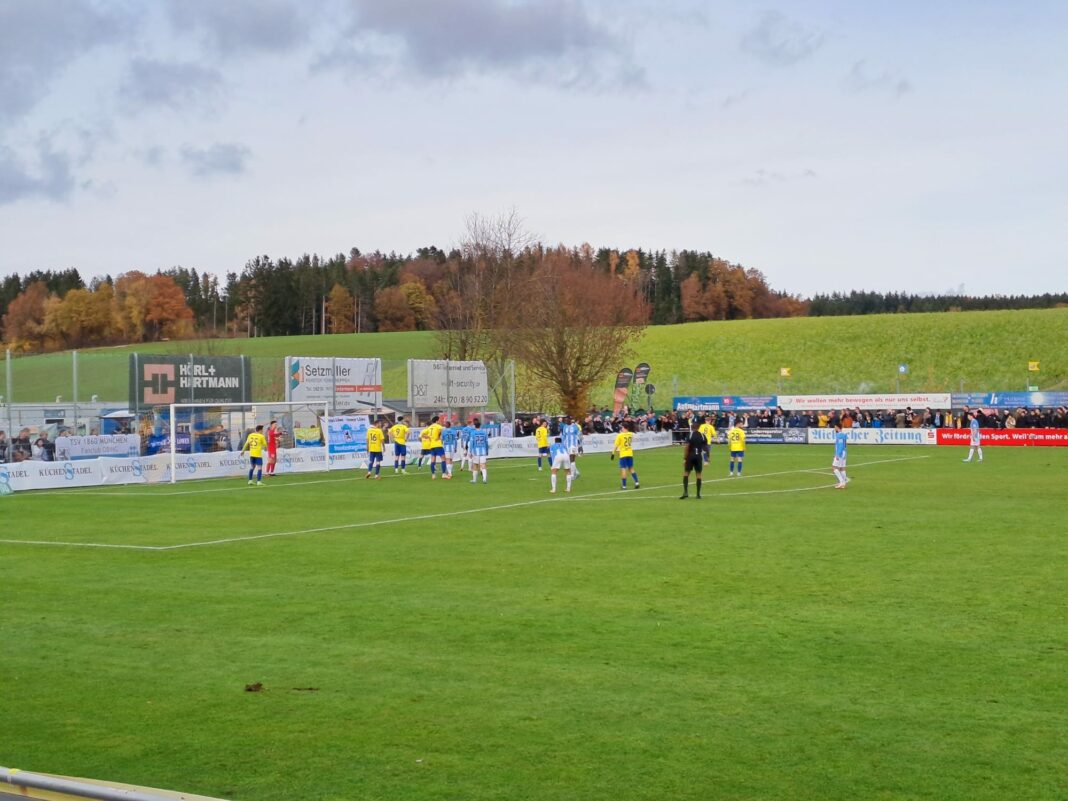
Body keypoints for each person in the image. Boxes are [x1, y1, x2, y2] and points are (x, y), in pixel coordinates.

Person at [680, 419, 707, 499]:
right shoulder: (702, 435)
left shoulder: (690, 435)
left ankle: (685, 492)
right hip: (698, 456)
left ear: (692, 427)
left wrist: (685, 458)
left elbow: (687, 447)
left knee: (686, 473)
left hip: (690, 456)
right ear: (699, 427)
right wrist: (707, 458)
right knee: (698, 474)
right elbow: (706, 448)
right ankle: (698, 494)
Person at [610, 421, 640, 490]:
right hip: (630, 453)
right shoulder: (631, 434)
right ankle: (637, 482)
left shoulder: (620, 435)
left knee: (623, 469)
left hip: (623, 454)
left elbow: (616, 445)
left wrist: (613, 453)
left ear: (623, 427)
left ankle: (624, 486)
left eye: (622, 427)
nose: (621, 428)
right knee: (631, 468)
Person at [560, 415, 583, 481]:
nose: (566, 421)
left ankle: (572, 475)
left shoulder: (575, 427)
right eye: (566, 420)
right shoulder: (565, 427)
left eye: (568, 419)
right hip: (567, 445)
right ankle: (577, 472)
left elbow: (579, 435)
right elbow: (563, 436)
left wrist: (580, 446)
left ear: (570, 420)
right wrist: (562, 444)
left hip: (573, 445)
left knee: (572, 459)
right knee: (568, 460)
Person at [468, 417, 489, 483]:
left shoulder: (473, 433)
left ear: (475, 426)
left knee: (475, 465)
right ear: (480, 425)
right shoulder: (484, 432)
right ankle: (484, 479)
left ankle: (474, 480)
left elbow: (471, 443)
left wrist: (470, 452)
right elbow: (486, 442)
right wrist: (487, 450)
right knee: (483, 465)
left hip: (475, 451)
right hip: (483, 451)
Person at [832, 422, 850, 489]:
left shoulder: (839, 435)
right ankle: (843, 483)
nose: (834, 428)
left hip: (840, 453)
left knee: (834, 467)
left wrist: (837, 454)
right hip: (844, 453)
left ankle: (841, 481)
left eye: (835, 426)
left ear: (837, 427)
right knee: (842, 468)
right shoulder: (844, 435)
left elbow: (840, 445)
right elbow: (844, 445)